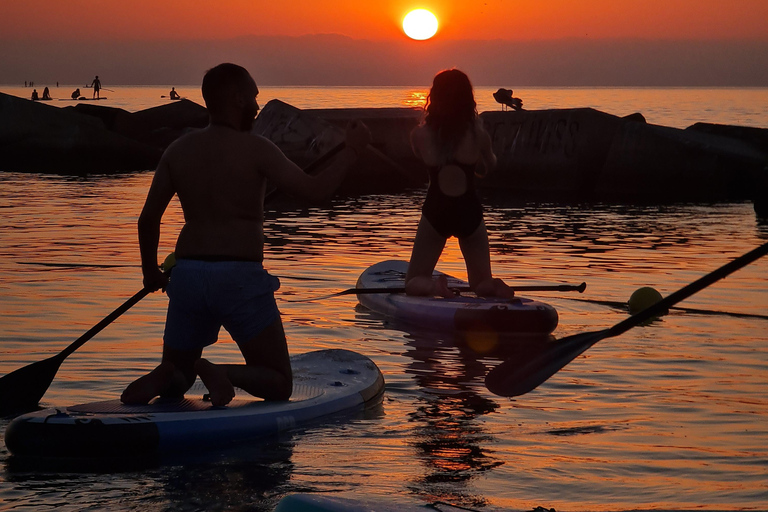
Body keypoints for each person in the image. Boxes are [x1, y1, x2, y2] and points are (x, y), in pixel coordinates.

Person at [120, 63, 371, 407]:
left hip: (188, 274)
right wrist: (353, 150)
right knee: (280, 382)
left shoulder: (178, 150)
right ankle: (226, 374)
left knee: (179, 378)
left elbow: (148, 219)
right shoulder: (257, 148)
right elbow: (314, 191)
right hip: (238, 278)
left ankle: (168, 374)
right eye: (253, 96)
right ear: (237, 99)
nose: (257, 105)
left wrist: (149, 270)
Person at [405, 69, 514, 299]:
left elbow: (419, 155)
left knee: (413, 280)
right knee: (480, 282)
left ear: (435, 97)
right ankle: (492, 286)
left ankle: (435, 287)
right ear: (468, 99)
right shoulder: (478, 135)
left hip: (437, 211)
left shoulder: (420, 135)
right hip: (469, 211)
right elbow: (491, 163)